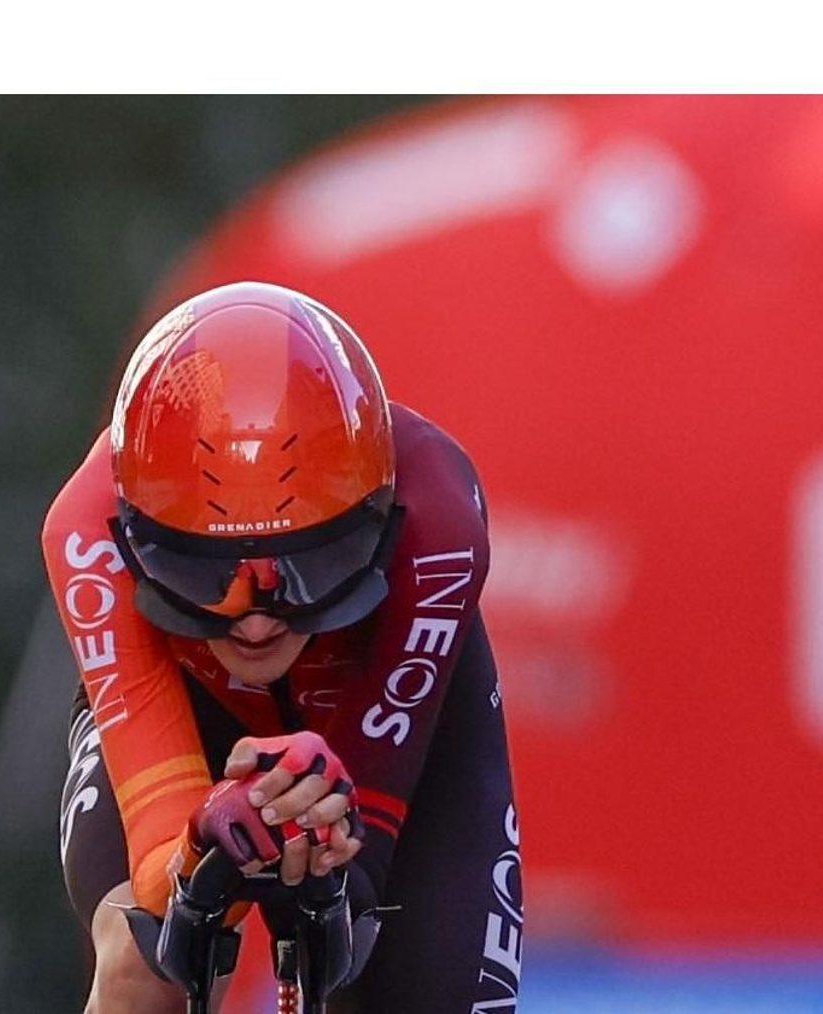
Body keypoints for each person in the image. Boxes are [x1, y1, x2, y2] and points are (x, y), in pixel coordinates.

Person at [43, 281, 522, 1013]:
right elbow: (158, 881)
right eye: (204, 579)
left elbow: (360, 880)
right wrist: (198, 846)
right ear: (136, 542)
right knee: (144, 956)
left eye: (305, 573)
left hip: (378, 711)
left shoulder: (440, 526)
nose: (259, 624)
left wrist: (335, 842)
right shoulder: (83, 535)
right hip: (185, 704)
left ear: (374, 528)